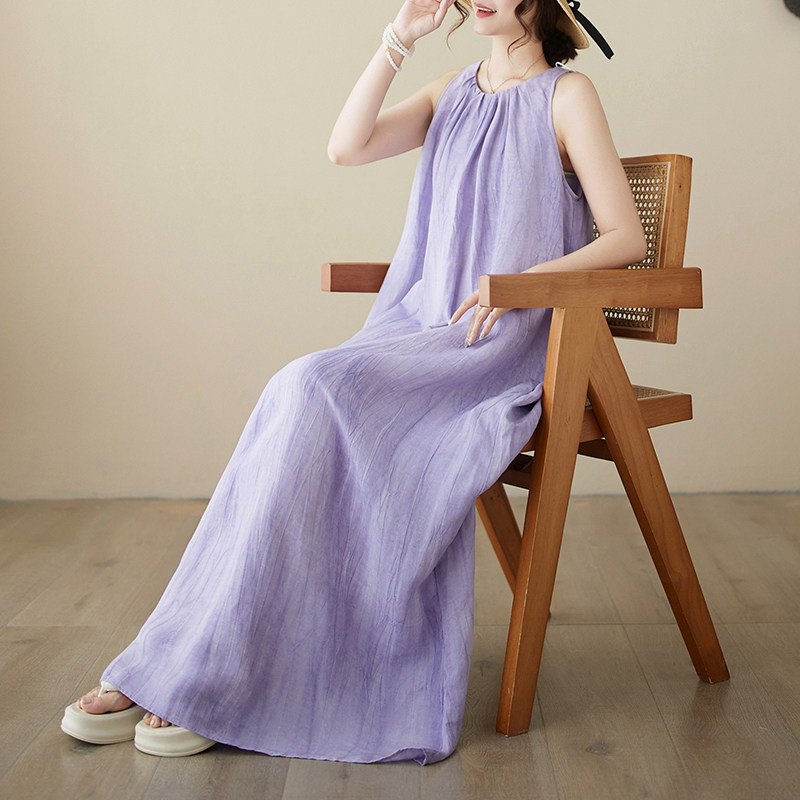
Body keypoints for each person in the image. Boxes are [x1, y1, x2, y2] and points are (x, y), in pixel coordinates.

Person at [60, 0, 645, 764]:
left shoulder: (567, 96)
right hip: (416, 335)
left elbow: (626, 236)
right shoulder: (448, 92)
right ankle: (185, 657)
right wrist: (397, 39)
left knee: (312, 387)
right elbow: (347, 147)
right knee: (299, 390)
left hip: (492, 350)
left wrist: (523, 282)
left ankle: (215, 673)